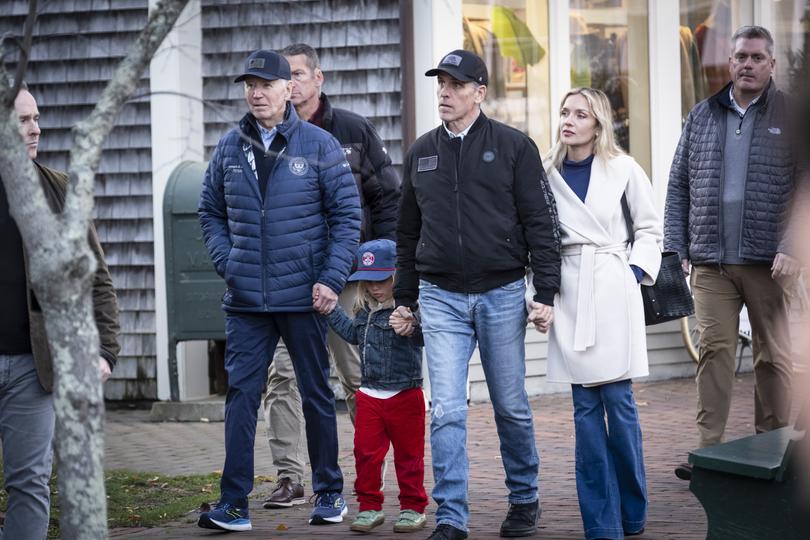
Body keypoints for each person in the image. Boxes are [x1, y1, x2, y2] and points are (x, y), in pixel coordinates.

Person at [394, 49, 561, 540]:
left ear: (480, 92)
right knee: (445, 409)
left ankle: (524, 498)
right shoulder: (422, 152)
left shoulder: (514, 147)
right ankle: (451, 518)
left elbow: (540, 224)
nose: (445, 93)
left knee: (510, 403)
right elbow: (406, 233)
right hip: (440, 296)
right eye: (440, 84)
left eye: (456, 84)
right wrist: (405, 298)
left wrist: (545, 289)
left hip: (501, 292)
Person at [197, 49, 360, 531]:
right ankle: (233, 504)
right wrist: (230, 262)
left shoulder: (319, 145)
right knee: (241, 397)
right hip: (246, 301)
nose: (257, 92)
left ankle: (329, 493)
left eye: (266, 83)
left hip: (303, 296)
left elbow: (347, 218)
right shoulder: (229, 147)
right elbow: (210, 211)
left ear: (289, 89)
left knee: (314, 394)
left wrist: (330, 279)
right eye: (250, 84)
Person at [261, 43, 400, 509]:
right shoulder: (268, 137)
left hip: (347, 279)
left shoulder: (354, 131)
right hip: (289, 282)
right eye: (287, 76)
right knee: (284, 377)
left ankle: (370, 468)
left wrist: (383, 270)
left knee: (356, 375)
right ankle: (289, 476)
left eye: (299, 74)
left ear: (318, 78)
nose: (293, 83)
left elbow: (387, 202)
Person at [664, 25, 798, 480]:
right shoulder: (703, 114)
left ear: (772, 64)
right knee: (714, 352)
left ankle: (773, 451)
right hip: (711, 262)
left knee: (772, 357)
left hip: (770, 263)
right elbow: (678, 182)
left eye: (757, 58)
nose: (747, 64)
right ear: (729, 62)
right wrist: (675, 244)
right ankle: (709, 453)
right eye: (740, 56)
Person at [535, 87, 661, 540]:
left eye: (580, 114)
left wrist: (632, 273)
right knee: (585, 410)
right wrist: (543, 290)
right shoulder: (545, 172)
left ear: (598, 123)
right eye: (564, 111)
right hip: (570, 288)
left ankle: (633, 509)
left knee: (619, 404)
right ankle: (601, 524)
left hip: (612, 284)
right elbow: (536, 233)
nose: (569, 120)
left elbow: (649, 228)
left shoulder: (623, 168)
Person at [0, 83, 120, 540]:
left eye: (36, 119)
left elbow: (97, 280)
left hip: (36, 369)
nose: (37, 129)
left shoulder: (60, 192)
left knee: (29, 484)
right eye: (24, 121)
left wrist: (106, 350)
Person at [324, 239, 428, 534]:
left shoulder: (410, 310)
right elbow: (351, 334)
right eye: (367, 281)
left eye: (381, 279)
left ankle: (413, 507)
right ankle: (370, 507)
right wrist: (331, 309)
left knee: (409, 456)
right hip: (369, 393)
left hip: (405, 393)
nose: (373, 287)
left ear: (397, 275)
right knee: (366, 454)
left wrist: (413, 324)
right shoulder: (363, 312)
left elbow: (423, 338)